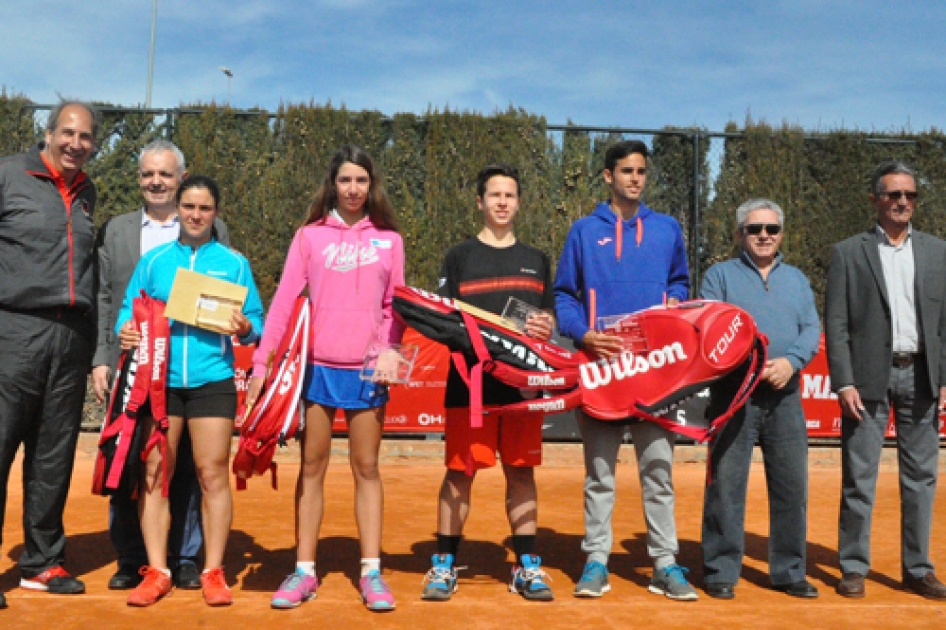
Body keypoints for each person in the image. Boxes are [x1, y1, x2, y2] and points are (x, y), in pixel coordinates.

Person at [244, 145, 405, 612]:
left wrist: (388, 352)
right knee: (311, 467)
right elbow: (282, 303)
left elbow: (394, 308)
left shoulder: (390, 240)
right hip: (316, 370)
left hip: (367, 372)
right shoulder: (309, 237)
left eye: (361, 181)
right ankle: (305, 570)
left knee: (367, 468)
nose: (353, 189)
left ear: (371, 185)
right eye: (345, 181)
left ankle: (371, 571)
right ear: (332, 185)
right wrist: (261, 365)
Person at [554, 139, 696, 601]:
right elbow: (564, 296)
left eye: (641, 171)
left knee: (658, 470)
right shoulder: (582, 231)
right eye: (626, 170)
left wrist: (674, 305)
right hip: (601, 371)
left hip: (654, 372)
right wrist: (584, 335)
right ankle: (596, 560)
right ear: (608, 176)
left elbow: (680, 282)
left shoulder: (667, 230)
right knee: (600, 474)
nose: (635, 178)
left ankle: (664, 564)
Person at [117, 176, 263, 607]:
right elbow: (130, 309)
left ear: (215, 212)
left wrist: (245, 327)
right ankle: (157, 571)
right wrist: (125, 330)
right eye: (188, 207)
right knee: (155, 475)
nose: (195, 215)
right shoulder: (155, 260)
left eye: (204, 208)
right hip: (159, 380)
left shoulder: (234, 263)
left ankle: (213, 570)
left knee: (212, 472)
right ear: (178, 209)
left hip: (211, 381)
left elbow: (254, 321)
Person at [93, 140, 230, 591]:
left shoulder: (214, 230)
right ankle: (132, 558)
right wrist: (105, 353)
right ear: (138, 178)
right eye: (149, 173)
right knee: (131, 462)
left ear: (181, 178)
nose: (157, 181)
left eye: (166, 175)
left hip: (196, 374)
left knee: (192, 466)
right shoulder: (116, 230)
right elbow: (110, 300)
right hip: (138, 368)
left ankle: (186, 556)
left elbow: (227, 298)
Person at [420, 164, 557, 602]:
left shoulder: (537, 259)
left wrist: (544, 325)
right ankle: (443, 565)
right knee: (459, 473)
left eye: (509, 195)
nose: (502, 202)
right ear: (480, 202)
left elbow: (546, 319)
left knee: (521, 472)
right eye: (494, 195)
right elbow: (445, 321)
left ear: (518, 203)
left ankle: (528, 567)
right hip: (469, 386)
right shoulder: (458, 257)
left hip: (521, 387)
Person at [826, 160, 946, 601]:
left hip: (923, 376)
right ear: (875, 199)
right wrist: (844, 382)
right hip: (867, 380)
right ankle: (854, 567)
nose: (902, 202)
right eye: (893, 194)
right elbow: (836, 323)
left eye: (910, 195)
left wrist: (944, 376)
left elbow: (944, 322)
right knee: (859, 477)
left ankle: (917, 569)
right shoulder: (848, 252)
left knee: (922, 479)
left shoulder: (938, 251)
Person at [0, 100, 101, 608]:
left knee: (53, 457)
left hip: (70, 339)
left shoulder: (88, 192)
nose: (75, 144)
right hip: (12, 332)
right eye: (67, 132)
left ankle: (40, 563)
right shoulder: (8, 176)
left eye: (85, 137)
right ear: (49, 132)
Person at [699, 198, 821, 600]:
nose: (764, 236)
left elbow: (810, 329)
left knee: (791, 487)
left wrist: (791, 362)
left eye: (771, 228)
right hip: (734, 396)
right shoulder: (718, 276)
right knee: (726, 486)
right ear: (740, 235)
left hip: (785, 396)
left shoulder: (798, 279)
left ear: (781, 233)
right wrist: (748, 364)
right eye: (755, 229)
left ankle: (788, 572)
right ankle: (720, 570)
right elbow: (710, 330)